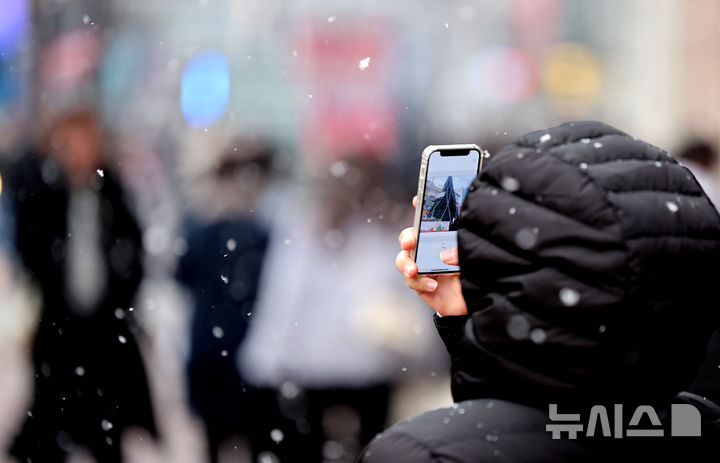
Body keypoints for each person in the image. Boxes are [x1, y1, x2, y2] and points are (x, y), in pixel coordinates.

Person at [358, 121, 720, 462]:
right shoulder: (696, 422)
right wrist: (471, 319)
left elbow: (521, 421)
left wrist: (480, 324)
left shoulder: (423, 453)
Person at [7, 109, 156, 462]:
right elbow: (29, 248)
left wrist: (124, 298)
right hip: (59, 329)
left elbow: (133, 254)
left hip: (104, 331)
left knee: (107, 430)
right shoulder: (45, 191)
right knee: (50, 429)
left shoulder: (112, 193)